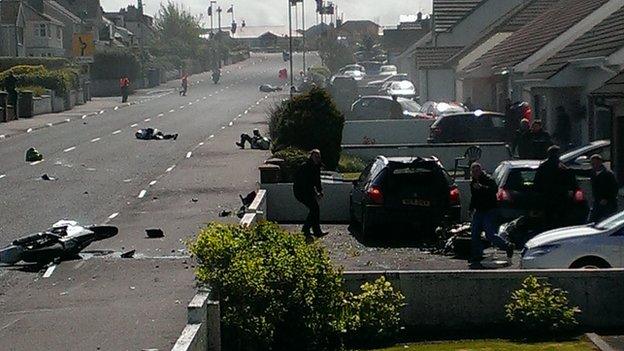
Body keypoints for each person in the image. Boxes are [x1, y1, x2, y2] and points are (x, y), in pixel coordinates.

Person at [469, 163, 514, 266]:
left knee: (490, 234)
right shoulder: (473, 183)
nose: (475, 173)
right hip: (479, 210)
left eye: (477, 171)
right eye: (473, 171)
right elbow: (474, 197)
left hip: (490, 210)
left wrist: (481, 187)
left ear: (481, 171)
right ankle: (477, 254)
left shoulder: (488, 179)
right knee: (475, 233)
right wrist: (471, 208)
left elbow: (493, 190)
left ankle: (507, 246)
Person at [533, 146, 572, 227]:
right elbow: (568, 180)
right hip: (560, 196)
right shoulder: (561, 166)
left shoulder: (543, 166)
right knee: (561, 218)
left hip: (547, 196)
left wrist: (539, 193)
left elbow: (537, 182)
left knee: (548, 218)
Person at [293, 149, 327, 237]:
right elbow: (304, 183)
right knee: (315, 209)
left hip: (308, 191)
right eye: (316, 156)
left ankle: (315, 231)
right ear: (311, 156)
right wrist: (315, 193)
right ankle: (307, 229)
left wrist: (320, 191)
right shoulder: (306, 167)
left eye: (319, 156)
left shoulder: (316, 167)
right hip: (300, 191)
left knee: (315, 209)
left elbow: (317, 181)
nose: (317, 158)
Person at [581, 155, 619, 222]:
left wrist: (606, 198)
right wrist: (567, 169)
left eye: (596, 163)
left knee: (608, 221)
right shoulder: (593, 172)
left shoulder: (608, 174)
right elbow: (581, 172)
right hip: (597, 202)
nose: (594, 166)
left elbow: (614, 189)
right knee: (592, 221)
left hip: (609, 203)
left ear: (600, 162)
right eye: (592, 164)